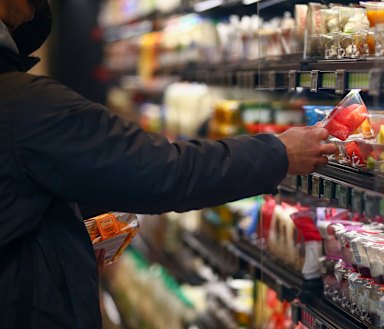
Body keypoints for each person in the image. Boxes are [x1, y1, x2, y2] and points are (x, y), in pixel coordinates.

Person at [0, 1, 337, 328]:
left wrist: (63, 244)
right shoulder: (23, 105)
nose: (33, 7)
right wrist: (278, 153)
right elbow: (161, 170)